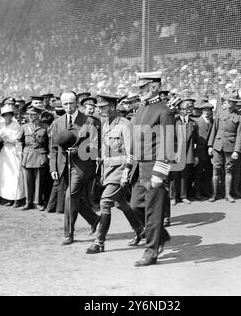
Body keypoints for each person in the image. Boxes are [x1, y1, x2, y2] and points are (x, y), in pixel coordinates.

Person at [86, 94, 144, 254]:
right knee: (121, 203)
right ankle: (140, 230)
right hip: (109, 171)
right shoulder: (106, 124)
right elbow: (106, 149)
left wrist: (126, 172)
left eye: (103, 107)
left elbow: (132, 152)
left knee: (105, 202)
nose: (100, 110)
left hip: (121, 171)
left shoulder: (125, 125)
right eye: (99, 107)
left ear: (112, 107)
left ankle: (99, 242)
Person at [130, 71, 175, 267]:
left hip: (155, 167)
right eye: (139, 88)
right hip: (141, 167)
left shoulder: (164, 111)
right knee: (134, 206)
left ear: (154, 87)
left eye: (143, 88)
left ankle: (151, 252)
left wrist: (159, 172)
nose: (140, 91)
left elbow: (168, 143)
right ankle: (161, 235)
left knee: (153, 211)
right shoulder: (141, 109)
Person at [50, 92, 100, 245]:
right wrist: (54, 167)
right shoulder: (57, 122)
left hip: (81, 166)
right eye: (65, 104)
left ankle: (68, 233)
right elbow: (53, 147)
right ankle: (94, 219)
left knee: (70, 196)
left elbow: (94, 146)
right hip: (62, 165)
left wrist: (78, 150)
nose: (68, 107)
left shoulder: (88, 121)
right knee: (75, 198)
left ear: (77, 102)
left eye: (71, 103)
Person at [207, 89, 241, 203]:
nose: (232, 103)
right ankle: (214, 194)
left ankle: (228, 194)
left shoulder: (239, 116)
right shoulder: (219, 113)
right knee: (216, 169)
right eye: (231, 101)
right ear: (227, 101)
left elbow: (240, 135)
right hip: (217, 145)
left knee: (229, 170)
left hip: (230, 146)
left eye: (234, 102)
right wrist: (210, 145)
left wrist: (236, 151)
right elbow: (214, 129)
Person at [17, 104, 49, 211]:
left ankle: (38, 202)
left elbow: (50, 142)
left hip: (40, 155)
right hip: (27, 155)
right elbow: (19, 141)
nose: (30, 116)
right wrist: (19, 152)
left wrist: (48, 155)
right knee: (28, 180)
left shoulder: (45, 127)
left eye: (33, 114)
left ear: (39, 115)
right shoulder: (24, 127)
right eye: (29, 114)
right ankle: (28, 202)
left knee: (39, 181)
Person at [170, 98, 199, 205]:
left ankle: (183, 196)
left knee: (184, 175)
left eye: (185, 109)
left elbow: (196, 141)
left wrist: (195, 156)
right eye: (181, 109)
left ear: (189, 110)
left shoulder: (194, 123)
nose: (183, 111)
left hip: (188, 152)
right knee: (174, 175)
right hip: (176, 152)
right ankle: (173, 197)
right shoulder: (174, 121)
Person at [0, 105, 24, 207]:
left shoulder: (16, 125)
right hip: (5, 151)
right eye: (5, 115)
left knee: (15, 174)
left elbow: (17, 139)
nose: (7, 117)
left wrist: (7, 137)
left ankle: (18, 198)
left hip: (14, 150)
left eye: (9, 115)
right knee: (5, 175)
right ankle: (8, 198)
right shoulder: (1, 124)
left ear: (12, 115)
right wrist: (0, 136)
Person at [193, 101, 214, 200]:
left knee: (208, 172)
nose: (207, 112)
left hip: (209, 152)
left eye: (209, 110)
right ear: (202, 111)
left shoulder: (213, 122)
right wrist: (195, 154)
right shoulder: (197, 122)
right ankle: (197, 192)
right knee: (198, 173)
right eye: (205, 110)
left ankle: (206, 191)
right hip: (199, 151)